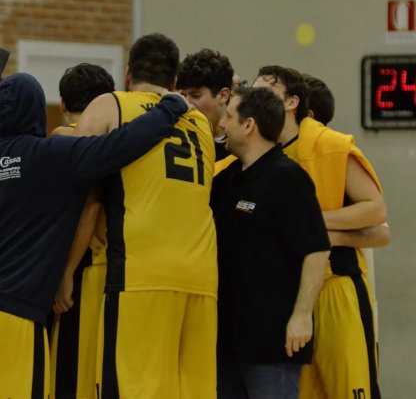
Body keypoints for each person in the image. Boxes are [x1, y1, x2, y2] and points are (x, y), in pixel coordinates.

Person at [0, 73, 191, 398]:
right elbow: (121, 144)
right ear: (36, 110)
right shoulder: (52, 155)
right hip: (11, 312)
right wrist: (170, 106)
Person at [74, 33, 218, 398]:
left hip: (141, 276)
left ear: (127, 75)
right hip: (201, 278)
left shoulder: (110, 105)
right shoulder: (200, 122)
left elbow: (82, 191)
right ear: (174, 83)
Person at [253, 66, 388, 399]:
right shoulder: (258, 152)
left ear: (292, 102)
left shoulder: (330, 145)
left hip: (335, 286)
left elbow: (376, 211)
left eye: (266, 91)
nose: (256, 99)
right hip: (286, 294)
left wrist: (311, 221)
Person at [211, 86, 330, 399]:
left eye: (228, 117)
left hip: (271, 345)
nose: (221, 124)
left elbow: (316, 250)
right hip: (227, 343)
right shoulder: (225, 181)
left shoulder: (287, 178)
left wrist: (302, 316)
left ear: (249, 125)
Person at [49, 63, 115, 398]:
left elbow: (92, 203)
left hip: (83, 272)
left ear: (62, 103)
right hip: (113, 274)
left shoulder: (65, 144)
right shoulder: (116, 142)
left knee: (73, 378)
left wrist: (67, 272)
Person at [177, 48, 234, 161]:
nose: (187, 104)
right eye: (183, 96)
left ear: (223, 95)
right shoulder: (177, 140)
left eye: (196, 95)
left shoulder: (239, 146)